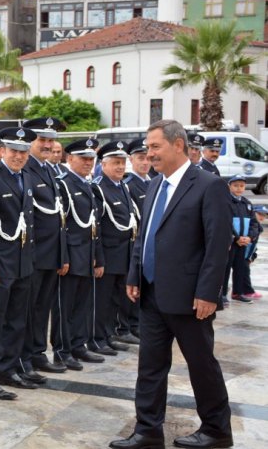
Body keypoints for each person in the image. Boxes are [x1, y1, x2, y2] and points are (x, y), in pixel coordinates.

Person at [110, 119, 232, 449]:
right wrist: (135, 275)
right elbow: (145, 237)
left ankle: (217, 431)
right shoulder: (154, 186)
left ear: (178, 145)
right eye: (147, 148)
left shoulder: (208, 185)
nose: (149, 155)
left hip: (190, 298)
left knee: (201, 365)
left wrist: (208, 292)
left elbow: (217, 244)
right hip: (152, 294)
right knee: (150, 367)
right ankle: (147, 431)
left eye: (155, 147)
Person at [0, 127, 39, 398]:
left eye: (23, 152)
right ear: (2, 150)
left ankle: (8, 369)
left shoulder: (27, 178)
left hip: (22, 262)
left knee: (16, 320)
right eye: (14, 151)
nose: (19, 156)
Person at [50, 138, 106, 371]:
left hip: (86, 253)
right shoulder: (63, 184)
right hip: (71, 255)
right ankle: (62, 350)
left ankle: (77, 344)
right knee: (65, 306)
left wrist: (97, 256)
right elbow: (60, 225)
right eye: (83, 158)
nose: (88, 163)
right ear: (69, 159)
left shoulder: (88, 185)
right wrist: (63, 256)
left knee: (82, 304)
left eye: (91, 159)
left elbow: (94, 225)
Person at [19, 116, 69, 378]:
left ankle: (37, 352)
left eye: (51, 140)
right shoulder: (25, 168)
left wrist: (62, 254)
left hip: (51, 255)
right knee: (28, 311)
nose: (48, 145)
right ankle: (24, 357)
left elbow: (57, 216)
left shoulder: (49, 170)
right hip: (33, 254)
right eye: (43, 140)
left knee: (42, 310)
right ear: (30, 141)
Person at [91, 141, 139, 355]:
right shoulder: (99, 188)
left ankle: (109, 335)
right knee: (102, 301)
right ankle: (98, 338)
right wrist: (98, 258)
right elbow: (97, 227)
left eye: (122, 163)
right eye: (115, 163)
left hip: (123, 254)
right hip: (109, 254)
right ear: (103, 164)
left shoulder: (123, 186)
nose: (120, 167)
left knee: (115, 300)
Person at [121, 138, 151, 340]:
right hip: (133, 241)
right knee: (131, 285)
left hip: (149, 243)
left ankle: (139, 321)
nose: (145, 162)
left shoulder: (152, 182)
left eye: (147, 158)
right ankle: (129, 324)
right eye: (140, 158)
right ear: (131, 160)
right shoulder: (129, 184)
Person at [223, 175, 260, 305]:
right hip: (230, 242)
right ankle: (221, 294)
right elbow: (225, 222)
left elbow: (254, 223)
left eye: (242, 186)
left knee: (240, 267)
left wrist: (249, 237)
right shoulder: (225, 202)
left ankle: (238, 292)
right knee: (225, 268)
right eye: (236, 185)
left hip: (243, 242)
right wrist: (236, 238)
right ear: (229, 186)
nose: (239, 188)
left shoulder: (246, 203)